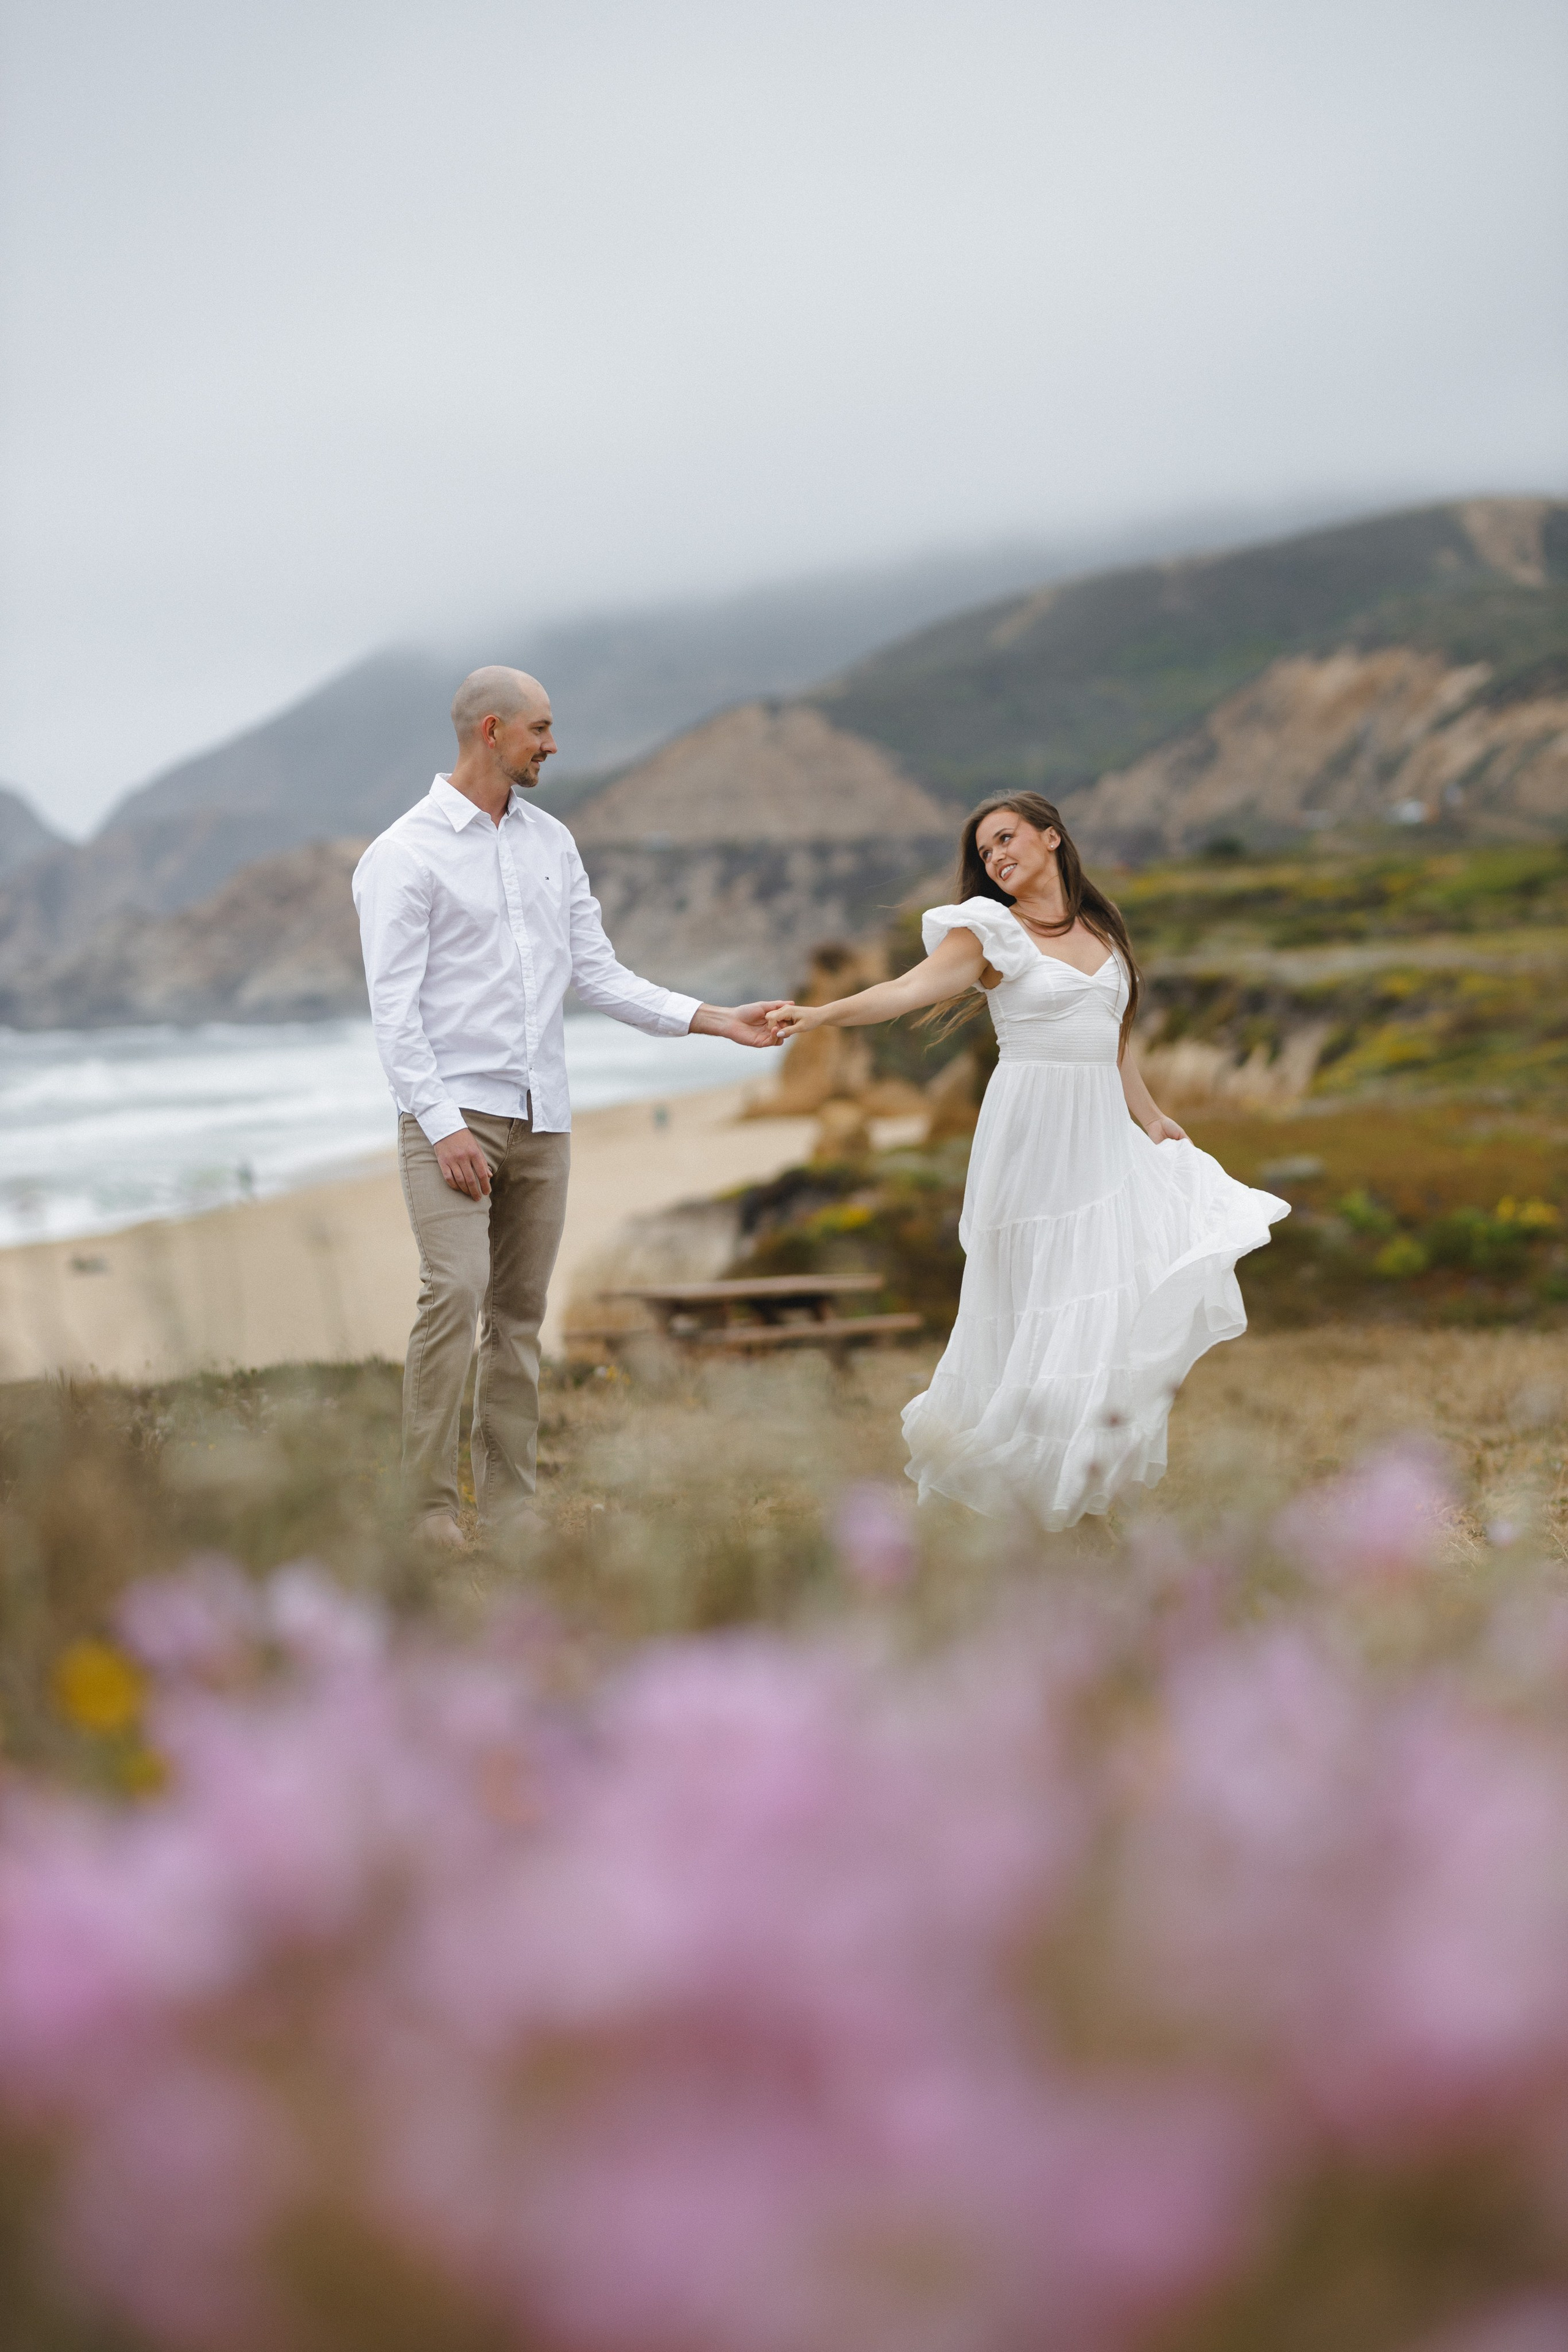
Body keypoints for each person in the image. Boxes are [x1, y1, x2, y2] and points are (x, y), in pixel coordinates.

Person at [766, 793, 1288, 1529]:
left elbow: (1110, 1039)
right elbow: (908, 990)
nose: (996, 857)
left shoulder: (1102, 927)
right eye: (985, 852)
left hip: (1100, 1138)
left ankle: (1079, 1487)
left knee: (1103, 1300)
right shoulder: (989, 930)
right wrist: (821, 1014)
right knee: (1035, 1300)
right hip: (1030, 1136)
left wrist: (1149, 1117)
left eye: (1007, 839)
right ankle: (1010, 1480)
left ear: (1051, 838)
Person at [353, 666, 780, 1548]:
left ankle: (510, 1513)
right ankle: (427, 1510)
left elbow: (599, 974)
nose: (553, 744)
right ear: (492, 730)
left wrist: (716, 1020)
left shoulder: (552, 842)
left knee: (517, 1320)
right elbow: (393, 1013)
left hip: (543, 1116)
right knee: (453, 1293)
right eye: (541, 729)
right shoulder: (404, 854)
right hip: (453, 1117)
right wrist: (443, 1127)